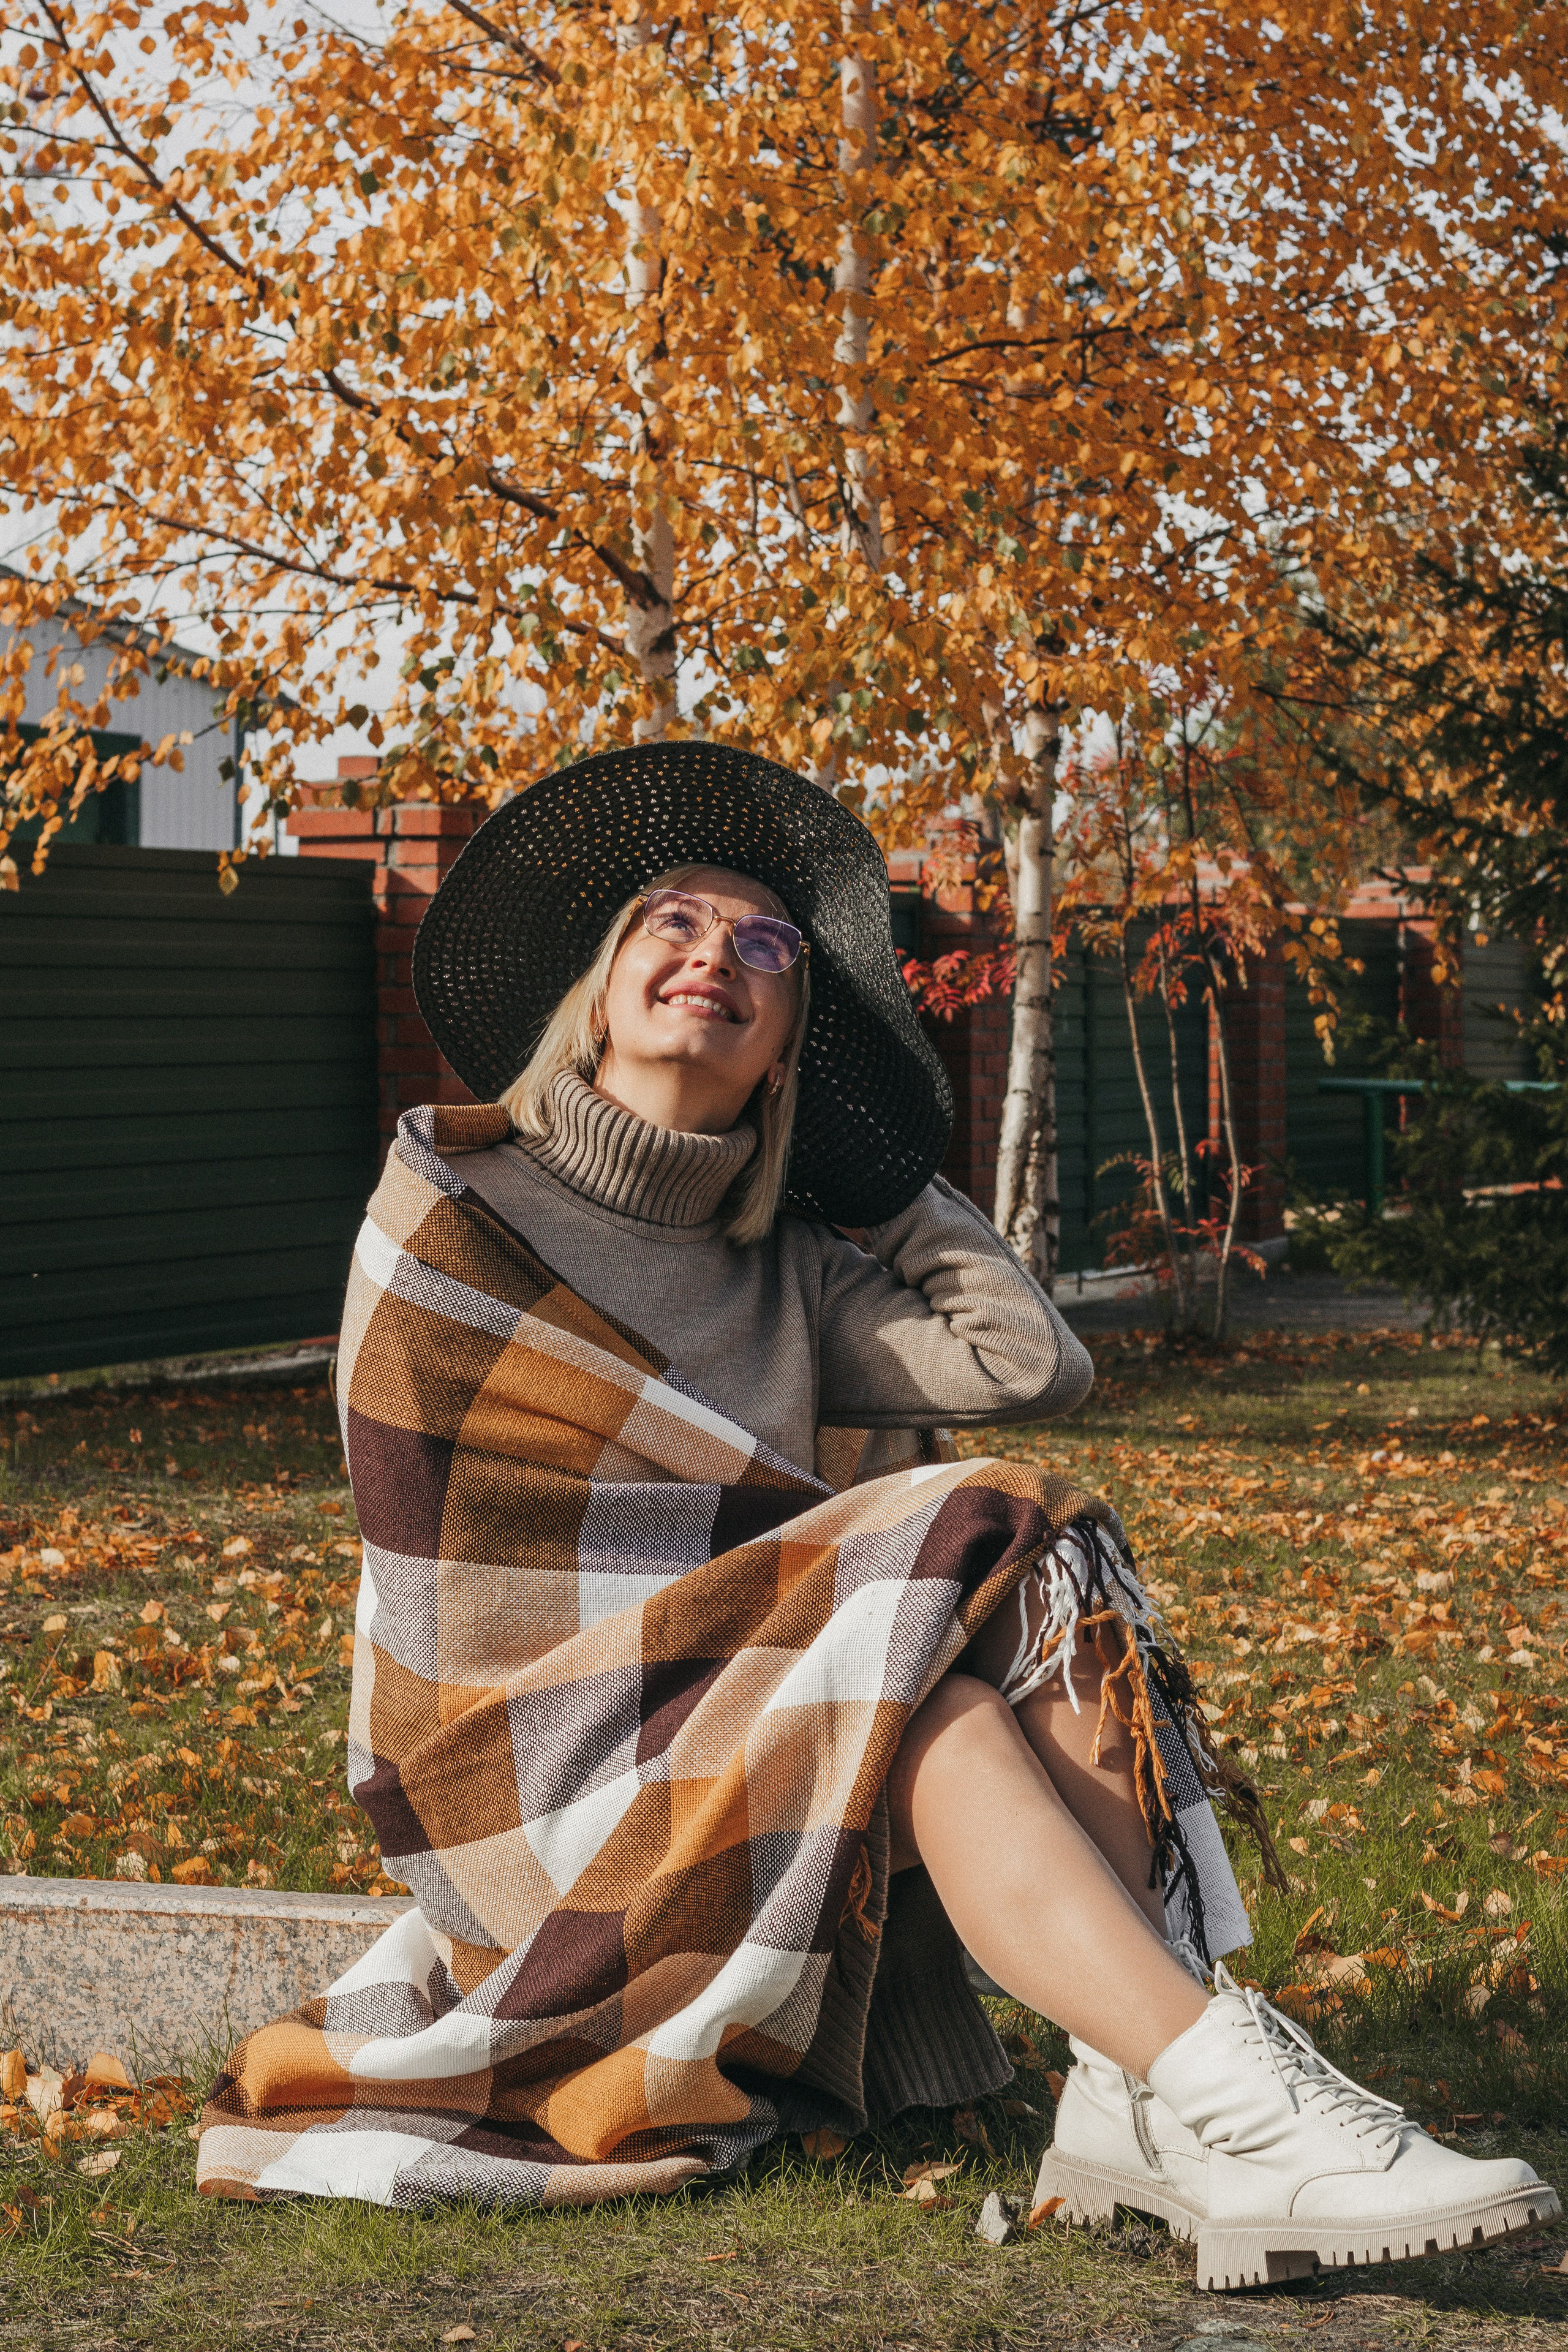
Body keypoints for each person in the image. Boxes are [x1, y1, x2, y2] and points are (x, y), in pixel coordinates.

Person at [197, 745, 1556, 2285]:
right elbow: (453, 1553)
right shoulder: (451, 1208)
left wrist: (883, 1174)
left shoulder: (790, 1275)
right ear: (598, 986)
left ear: (784, 1045)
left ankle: (1160, 2091)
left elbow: (1027, 1362)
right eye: (673, 925)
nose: (713, 955)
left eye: (762, 948)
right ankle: (1204, 2090)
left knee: (1000, 1613)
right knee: (974, 1541)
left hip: (737, 1714)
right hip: (520, 1769)